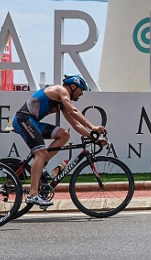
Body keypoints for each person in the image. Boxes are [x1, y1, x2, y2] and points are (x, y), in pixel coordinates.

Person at [12, 74, 106, 207]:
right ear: (73, 86)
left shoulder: (61, 102)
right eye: (81, 90)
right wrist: (92, 127)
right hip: (23, 120)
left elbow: (76, 125)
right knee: (41, 153)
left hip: (33, 121)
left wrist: (94, 137)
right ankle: (33, 195)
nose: (82, 94)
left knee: (64, 134)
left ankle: (41, 164)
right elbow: (73, 111)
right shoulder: (60, 90)